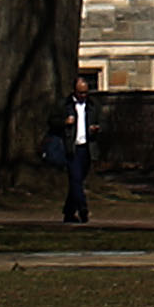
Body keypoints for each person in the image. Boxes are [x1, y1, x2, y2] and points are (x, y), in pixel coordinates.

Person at [54, 86, 95, 225]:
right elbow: (52, 121)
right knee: (76, 179)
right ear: (75, 92)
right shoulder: (64, 105)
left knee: (77, 180)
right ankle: (83, 207)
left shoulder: (92, 105)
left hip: (86, 147)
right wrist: (65, 122)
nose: (84, 95)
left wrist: (96, 128)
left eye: (86, 92)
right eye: (81, 92)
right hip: (71, 147)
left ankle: (69, 212)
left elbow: (102, 122)